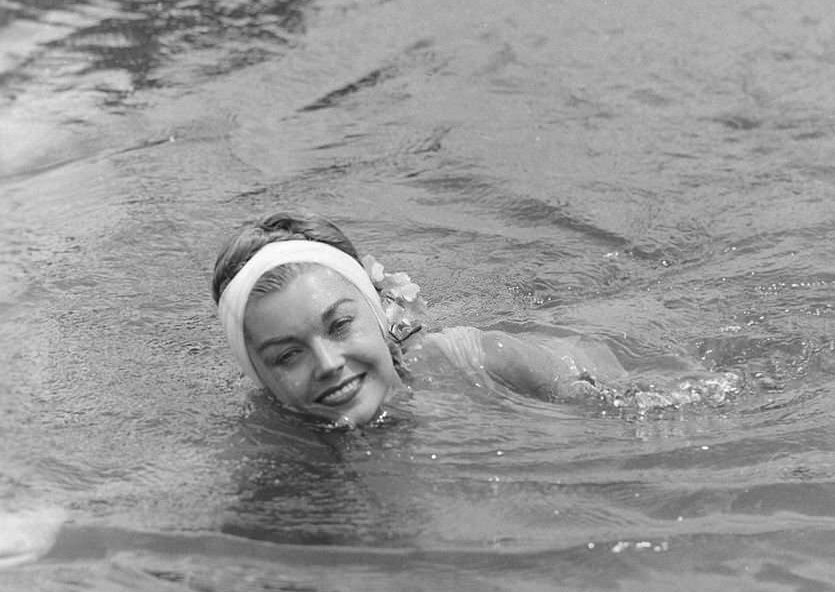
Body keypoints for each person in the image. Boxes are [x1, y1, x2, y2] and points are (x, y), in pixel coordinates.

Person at [213, 209, 738, 427]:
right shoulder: (267, 437)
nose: (327, 363)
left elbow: (644, 396)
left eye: (340, 325)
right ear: (260, 380)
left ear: (378, 313)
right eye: (287, 355)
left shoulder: (474, 359)